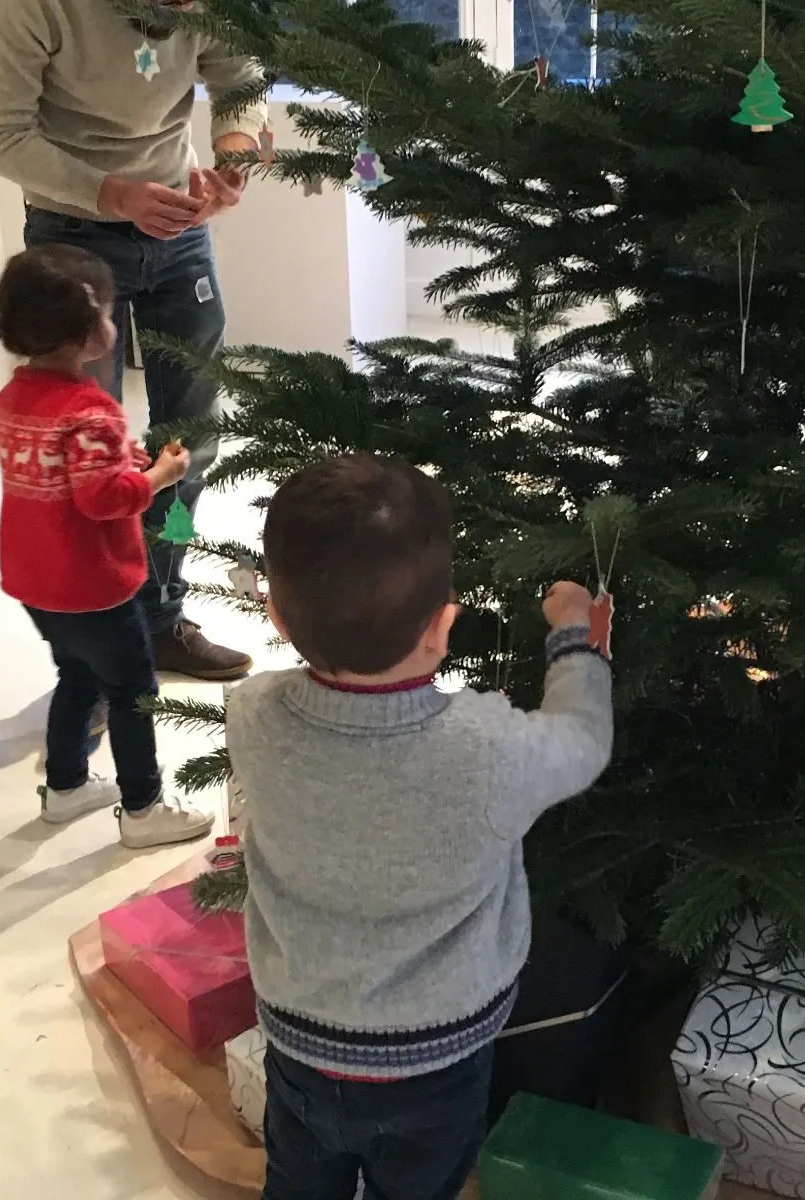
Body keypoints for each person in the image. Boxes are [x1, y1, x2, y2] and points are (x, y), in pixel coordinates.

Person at [224, 454, 615, 1200]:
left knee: (299, 1184)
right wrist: (574, 635)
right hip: (438, 1061)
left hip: (299, 1040)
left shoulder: (251, 714)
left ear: (274, 616)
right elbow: (583, 741)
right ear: (442, 629)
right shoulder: (488, 749)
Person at [0, 0, 266, 682]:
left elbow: (240, 76)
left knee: (191, 443)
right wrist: (111, 195)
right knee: (83, 463)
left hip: (181, 232)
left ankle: (161, 614)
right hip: (72, 234)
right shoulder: (28, 7)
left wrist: (233, 158)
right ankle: (95, 649)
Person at [0, 245, 215, 849]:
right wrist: (158, 476)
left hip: (36, 580)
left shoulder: (14, 398)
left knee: (76, 677)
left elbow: (62, 476)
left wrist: (119, 461)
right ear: (87, 331)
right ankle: (142, 808)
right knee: (133, 693)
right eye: (111, 313)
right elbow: (104, 501)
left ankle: (65, 787)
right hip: (93, 583)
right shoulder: (92, 412)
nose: (117, 323)